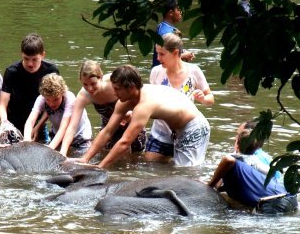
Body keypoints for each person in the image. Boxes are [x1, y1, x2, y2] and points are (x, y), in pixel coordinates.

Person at [79, 65, 210, 168]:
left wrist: (101, 167)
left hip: (193, 127)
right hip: (172, 129)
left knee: (186, 173)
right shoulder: (124, 101)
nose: (114, 92)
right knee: (153, 164)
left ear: (130, 88)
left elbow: (125, 142)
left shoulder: (144, 105)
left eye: (117, 89)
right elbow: (107, 131)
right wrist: (85, 159)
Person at [58, 60, 146, 157]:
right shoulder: (83, 96)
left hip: (131, 122)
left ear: (101, 77)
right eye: (85, 84)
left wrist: (132, 113)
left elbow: (137, 93)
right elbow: (72, 127)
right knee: (103, 155)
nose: (90, 88)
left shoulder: (115, 82)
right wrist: (63, 152)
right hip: (108, 126)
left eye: (93, 84)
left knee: (134, 157)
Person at [206, 120, 298, 212]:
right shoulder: (255, 161)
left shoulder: (236, 160)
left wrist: (209, 185)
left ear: (237, 145)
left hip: (272, 203)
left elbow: (228, 160)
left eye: (235, 139)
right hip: (290, 197)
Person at [0, 33, 59, 140]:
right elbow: (2, 105)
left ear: (43, 55)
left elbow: (53, 103)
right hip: (13, 126)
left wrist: (38, 126)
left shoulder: (51, 71)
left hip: (39, 125)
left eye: (34, 59)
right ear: (21, 54)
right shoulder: (12, 72)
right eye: (26, 58)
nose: (30, 63)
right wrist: (4, 122)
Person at [23, 73, 92, 155]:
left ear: (62, 93)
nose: (52, 104)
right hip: (57, 137)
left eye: (55, 99)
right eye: (48, 99)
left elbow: (64, 127)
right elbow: (30, 121)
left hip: (80, 140)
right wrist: (26, 142)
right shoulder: (41, 98)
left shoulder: (70, 99)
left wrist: (49, 150)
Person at [150, 33, 214, 105]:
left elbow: (210, 99)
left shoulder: (194, 71)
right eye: (157, 53)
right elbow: (151, 101)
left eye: (162, 54)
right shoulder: (156, 72)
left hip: (188, 116)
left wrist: (203, 99)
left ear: (175, 52)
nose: (158, 58)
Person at [151, 0, 194, 67]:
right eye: (178, 9)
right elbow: (165, 57)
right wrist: (183, 56)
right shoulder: (165, 32)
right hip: (163, 73)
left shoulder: (163, 26)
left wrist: (183, 51)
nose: (181, 12)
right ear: (171, 13)